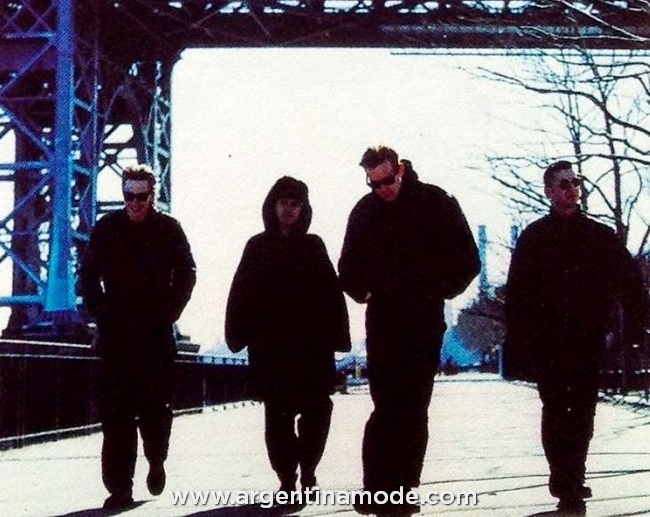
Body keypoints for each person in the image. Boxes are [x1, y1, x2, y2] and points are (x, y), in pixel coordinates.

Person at [338, 146, 480, 513]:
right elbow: (347, 267)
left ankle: (402, 488)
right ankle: (376, 487)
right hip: (383, 319)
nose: (382, 189)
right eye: (373, 183)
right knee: (385, 405)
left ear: (400, 169)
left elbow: (469, 260)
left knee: (414, 405)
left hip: (423, 319)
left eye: (387, 180)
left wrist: (438, 289)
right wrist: (363, 292)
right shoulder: (364, 211)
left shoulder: (437, 202)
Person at [505, 160, 647, 515]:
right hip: (548, 340)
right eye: (563, 184)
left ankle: (574, 474)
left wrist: (636, 326)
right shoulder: (535, 238)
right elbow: (517, 295)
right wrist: (520, 341)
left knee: (582, 409)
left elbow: (630, 283)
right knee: (555, 407)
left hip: (587, 337)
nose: (571, 190)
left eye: (575, 182)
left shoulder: (599, 236)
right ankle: (562, 476)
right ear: (549, 192)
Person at [79, 164, 196, 512]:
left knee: (156, 412)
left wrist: (170, 312)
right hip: (116, 337)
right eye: (129, 196)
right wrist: (101, 314)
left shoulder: (169, 229)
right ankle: (120, 488)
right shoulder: (106, 228)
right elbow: (87, 276)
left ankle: (156, 459)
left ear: (152, 195)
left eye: (141, 197)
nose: (135, 203)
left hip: (156, 336)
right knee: (116, 417)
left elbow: (187, 273)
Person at [225, 176, 350, 496]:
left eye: (296, 204)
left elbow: (331, 294)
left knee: (318, 410)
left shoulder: (314, 245)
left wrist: (337, 337)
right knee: (277, 418)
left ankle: (308, 468)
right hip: (271, 349)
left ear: (304, 208)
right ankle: (286, 477)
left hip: (312, 349)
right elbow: (240, 293)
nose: (289, 210)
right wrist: (238, 334)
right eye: (284, 203)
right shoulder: (257, 246)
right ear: (273, 205)